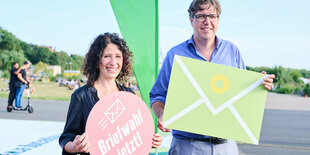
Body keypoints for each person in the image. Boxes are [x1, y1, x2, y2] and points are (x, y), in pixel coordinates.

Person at [149, 0, 275, 154]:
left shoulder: (232, 51)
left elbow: (242, 98)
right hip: (187, 146)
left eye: (212, 16)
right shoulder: (175, 55)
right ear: (191, 20)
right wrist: (162, 114)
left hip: (225, 147)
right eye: (201, 16)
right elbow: (157, 95)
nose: (207, 22)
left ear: (218, 20)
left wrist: (258, 85)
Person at [59, 33, 162, 154]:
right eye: (107, 56)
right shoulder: (81, 96)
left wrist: (149, 139)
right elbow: (66, 138)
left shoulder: (129, 95)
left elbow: (133, 136)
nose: (113, 62)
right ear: (97, 60)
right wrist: (74, 146)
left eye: (118, 56)